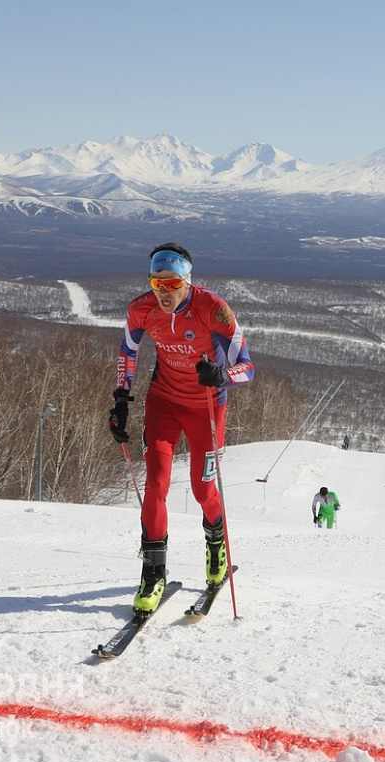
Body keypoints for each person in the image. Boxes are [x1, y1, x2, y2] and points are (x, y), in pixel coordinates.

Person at [107, 243, 254, 614]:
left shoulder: (213, 309)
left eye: (172, 284)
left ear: (187, 281)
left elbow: (248, 367)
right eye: (157, 283)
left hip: (206, 406)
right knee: (155, 483)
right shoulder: (141, 308)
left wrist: (222, 374)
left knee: (204, 490)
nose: (164, 292)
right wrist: (121, 401)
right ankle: (153, 574)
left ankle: (216, 549)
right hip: (164, 403)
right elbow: (128, 352)